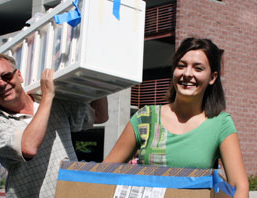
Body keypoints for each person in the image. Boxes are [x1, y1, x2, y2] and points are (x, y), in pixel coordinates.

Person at [104, 37, 249, 197]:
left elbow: (239, 186)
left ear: (212, 78)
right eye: (181, 66)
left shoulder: (220, 124)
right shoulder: (146, 117)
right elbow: (104, 173)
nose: (187, 74)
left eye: (198, 69)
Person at [0, 53, 108, 198]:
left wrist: (95, 76)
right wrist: (47, 96)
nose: (2, 84)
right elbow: (28, 147)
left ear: (19, 76)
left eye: (6, 76)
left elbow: (100, 116)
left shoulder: (55, 103)